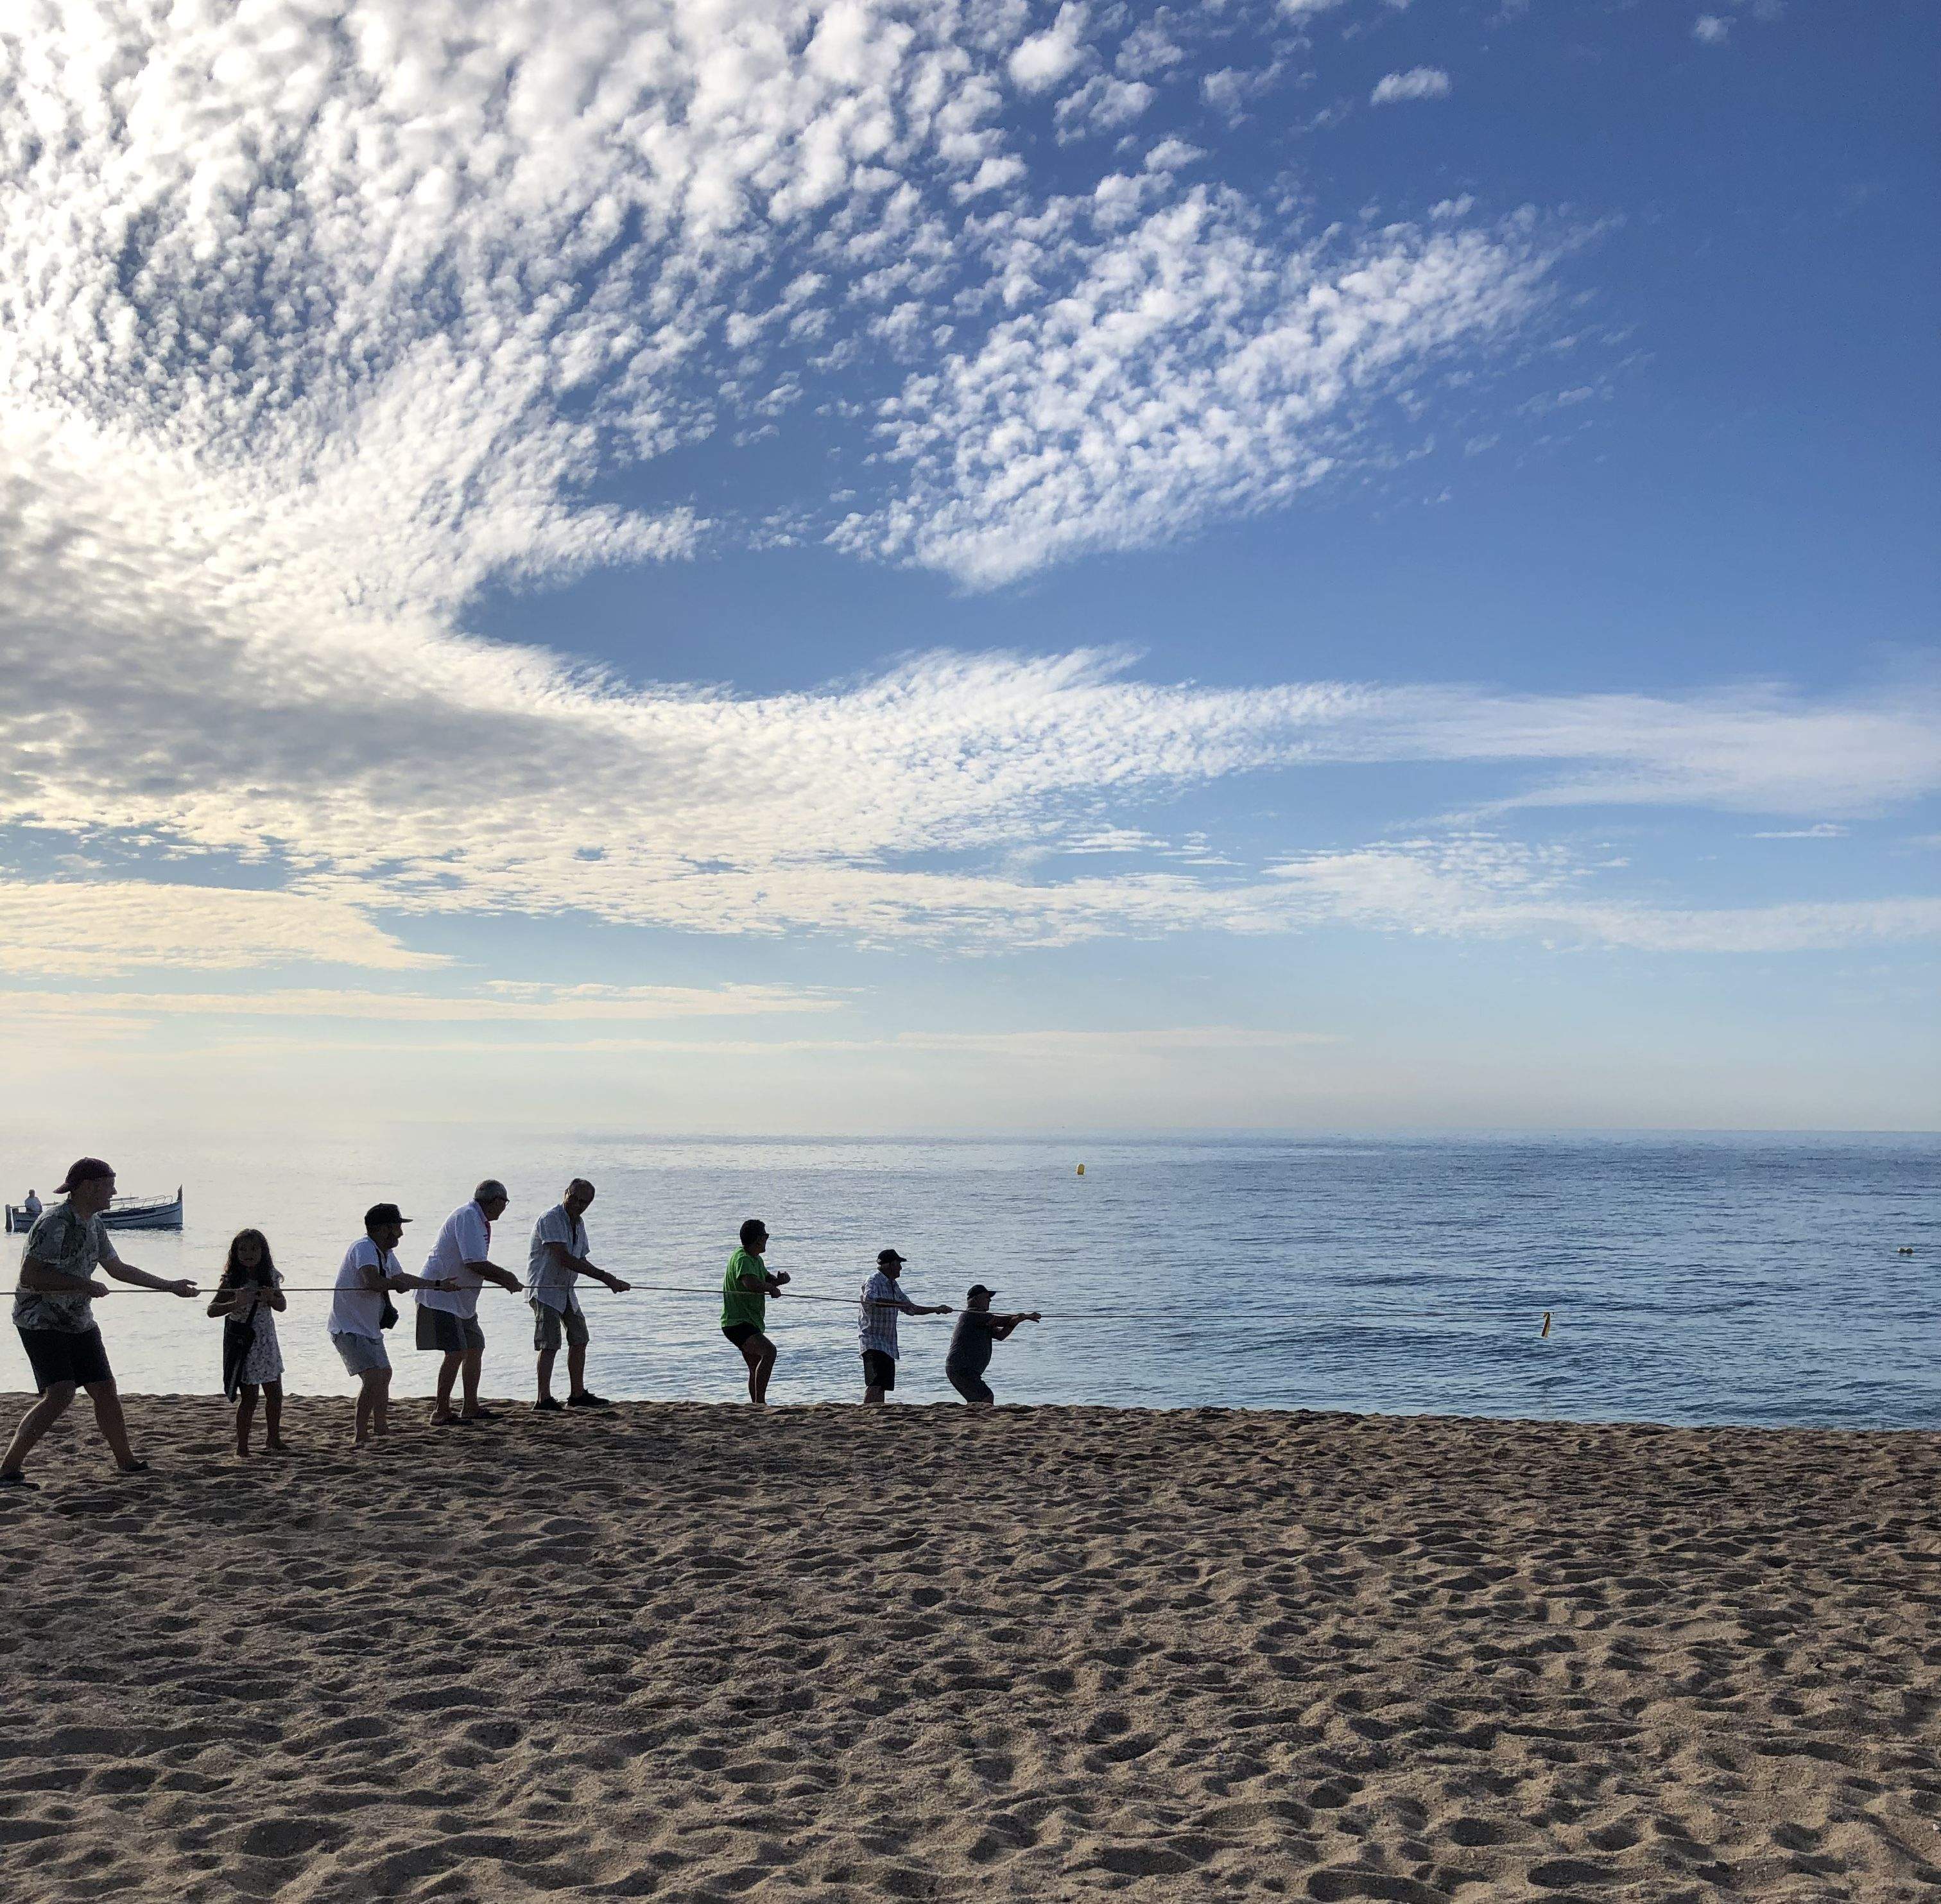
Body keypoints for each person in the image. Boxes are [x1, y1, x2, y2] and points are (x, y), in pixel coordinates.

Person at [1, 1157, 199, 1488]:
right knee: (60, 1394)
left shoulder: (94, 1223)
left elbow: (117, 1268)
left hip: (78, 1320)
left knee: (105, 1390)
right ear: (89, 1187)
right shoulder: (54, 1222)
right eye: (110, 1185)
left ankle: (126, 1461)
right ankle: (8, 1469)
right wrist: (82, 1284)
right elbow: (31, 1276)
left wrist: (170, 1286)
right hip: (40, 1319)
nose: (115, 1192)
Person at [330, 1203, 457, 1448]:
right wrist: (393, 1285)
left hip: (367, 1327)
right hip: (348, 1327)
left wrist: (438, 1284)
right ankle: (360, 1433)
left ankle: (380, 1426)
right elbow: (372, 1281)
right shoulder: (365, 1248)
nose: (401, 1233)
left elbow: (400, 1278)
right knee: (374, 1378)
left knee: (384, 1374)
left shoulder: (383, 1253)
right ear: (382, 1229)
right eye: (397, 1227)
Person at [415, 1181, 522, 1425]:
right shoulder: (468, 1217)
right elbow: (473, 1262)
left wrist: (503, 1280)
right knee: (455, 1352)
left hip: (462, 1301)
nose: (504, 1208)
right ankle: (440, 1410)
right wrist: (507, 1278)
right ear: (496, 1201)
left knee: (475, 1346)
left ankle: (470, 1406)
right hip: (441, 1297)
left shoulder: (478, 1219)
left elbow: (476, 1264)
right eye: (504, 1203)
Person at [528, 1178, 631, 1412]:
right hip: (545, 1290)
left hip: (566, 1290)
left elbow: (580, 1258)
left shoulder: (579, 1223)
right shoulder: (552, 1218)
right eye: (574, 1198)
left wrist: (609, 1280)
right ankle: (543, 1399)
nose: (578, 1204)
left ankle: (577, 1394)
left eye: (584, 1202)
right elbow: (563, 1258)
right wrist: (607, 1278)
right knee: (549, 1343)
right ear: (566, 1193)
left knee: (580, 1337)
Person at [207, 1228, 288, 1457]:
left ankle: (274, 1439)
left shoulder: (270, 1275)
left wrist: (272, 1298)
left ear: (263, 1252)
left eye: (254, 1249)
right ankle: (243, 1447)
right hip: (245, 1343)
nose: (248, 1254)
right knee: (250, 1398)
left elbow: (282, 1307)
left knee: (275, 1394)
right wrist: (236, 1302)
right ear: (235, 1253)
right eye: (242, 1249)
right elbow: (212, 1311)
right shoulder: (231, 1279)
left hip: (267, 1341)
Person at [858, 1249, 951, 1405]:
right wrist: (897, 1304)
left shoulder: (894, 1286)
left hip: (888, 1343)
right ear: (888, 1265)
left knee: (883, 1385)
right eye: (898, 1264)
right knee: (875, 1382)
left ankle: (876, 1413)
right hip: (872, 1341)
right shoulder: (873, 1280)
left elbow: (911, 1309)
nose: (901, 1268)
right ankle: (865, 1414)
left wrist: (936, 1309)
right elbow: (870, 1300)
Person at [721, 1219, 789, 1405]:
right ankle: (760, 1404)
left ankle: (756, 1406)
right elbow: (750, 1283)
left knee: (755, 1365)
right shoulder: (742, 1258)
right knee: (769, 1352)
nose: (767, 1238)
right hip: (737, 1322)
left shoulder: (756, 1259)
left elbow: (766, 1279)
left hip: (748, 1321)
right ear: (758, 1240)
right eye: (765, 1236)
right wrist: (770, 1288)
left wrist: (779, 1282)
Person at [944, 1284, 1040, 1408]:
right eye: (986, 1297)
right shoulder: (972, 1316)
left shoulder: (983, 1319)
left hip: (966, 1370)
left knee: (979, 1401)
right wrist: (1025, 1317)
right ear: (975, 1299)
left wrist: (1015, 1322)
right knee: (986, 1398)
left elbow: (1001, 1335)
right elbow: (1000, 1320)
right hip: (961, 1369)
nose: (990, 1300)